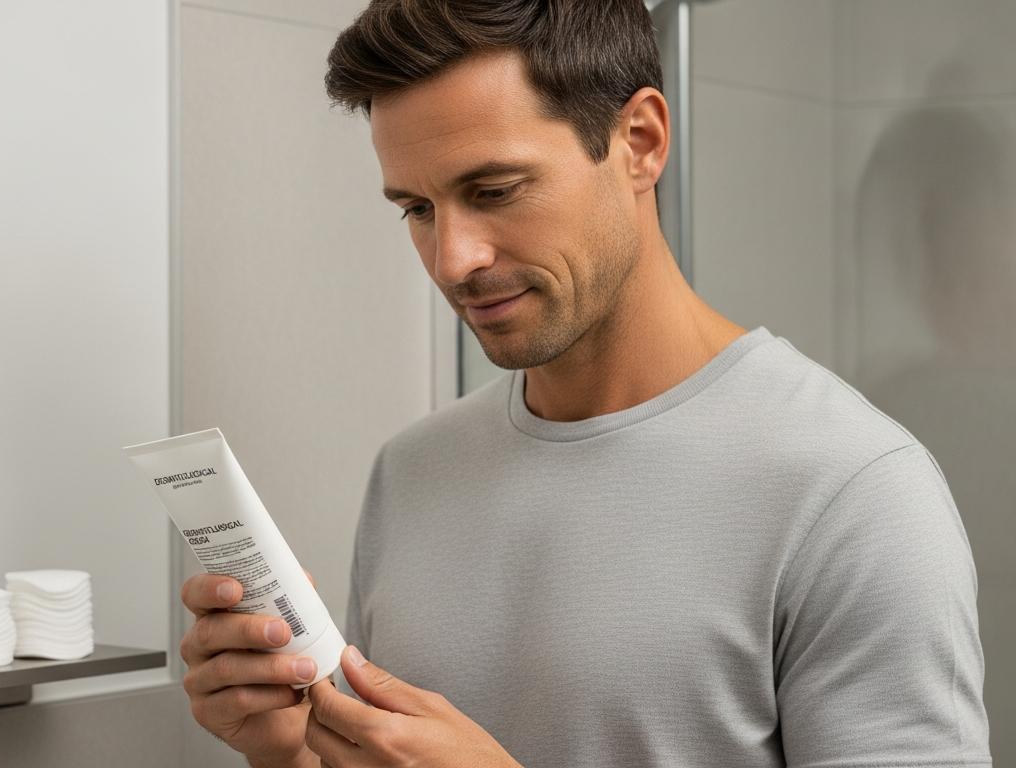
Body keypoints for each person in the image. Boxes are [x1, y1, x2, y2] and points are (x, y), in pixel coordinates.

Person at [177, 1, 991, 766]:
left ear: (639, 140)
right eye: (417, 209)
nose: (454, 258)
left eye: (493, 191)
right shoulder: (413, 471)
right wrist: (288, 753)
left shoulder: (854, 492)